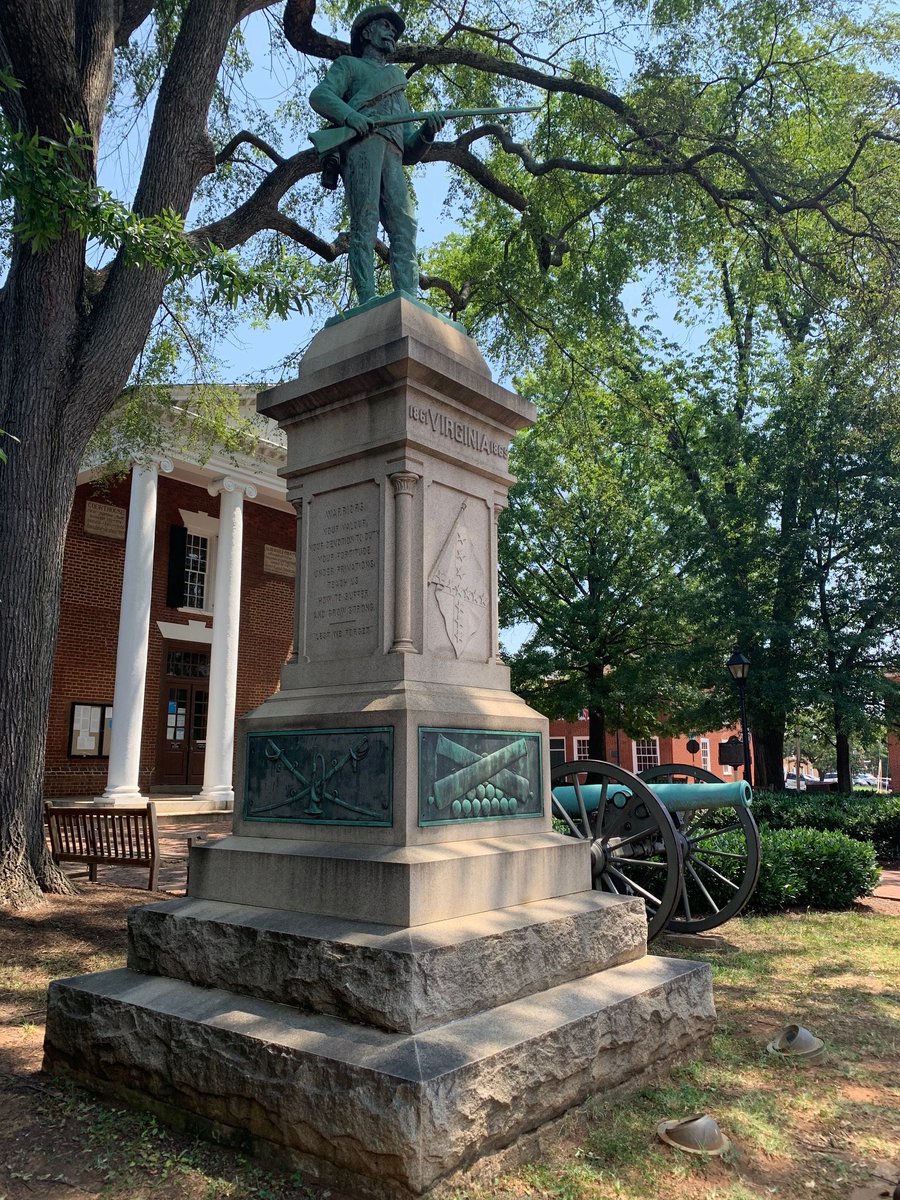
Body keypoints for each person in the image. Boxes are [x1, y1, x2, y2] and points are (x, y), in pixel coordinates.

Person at [309, 5, 443, 303]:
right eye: (384, 26)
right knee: (365, 222)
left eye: (392, 30)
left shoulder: (400, 93)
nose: (391, 33)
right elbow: (320, 96)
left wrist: (426, 134)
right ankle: (367, 299)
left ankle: (408, 296)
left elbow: (410, 150)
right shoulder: (349, 66)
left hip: (394, 156)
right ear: (366, 33)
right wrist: (350, 116)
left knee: (405, 224)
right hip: (362, 147)